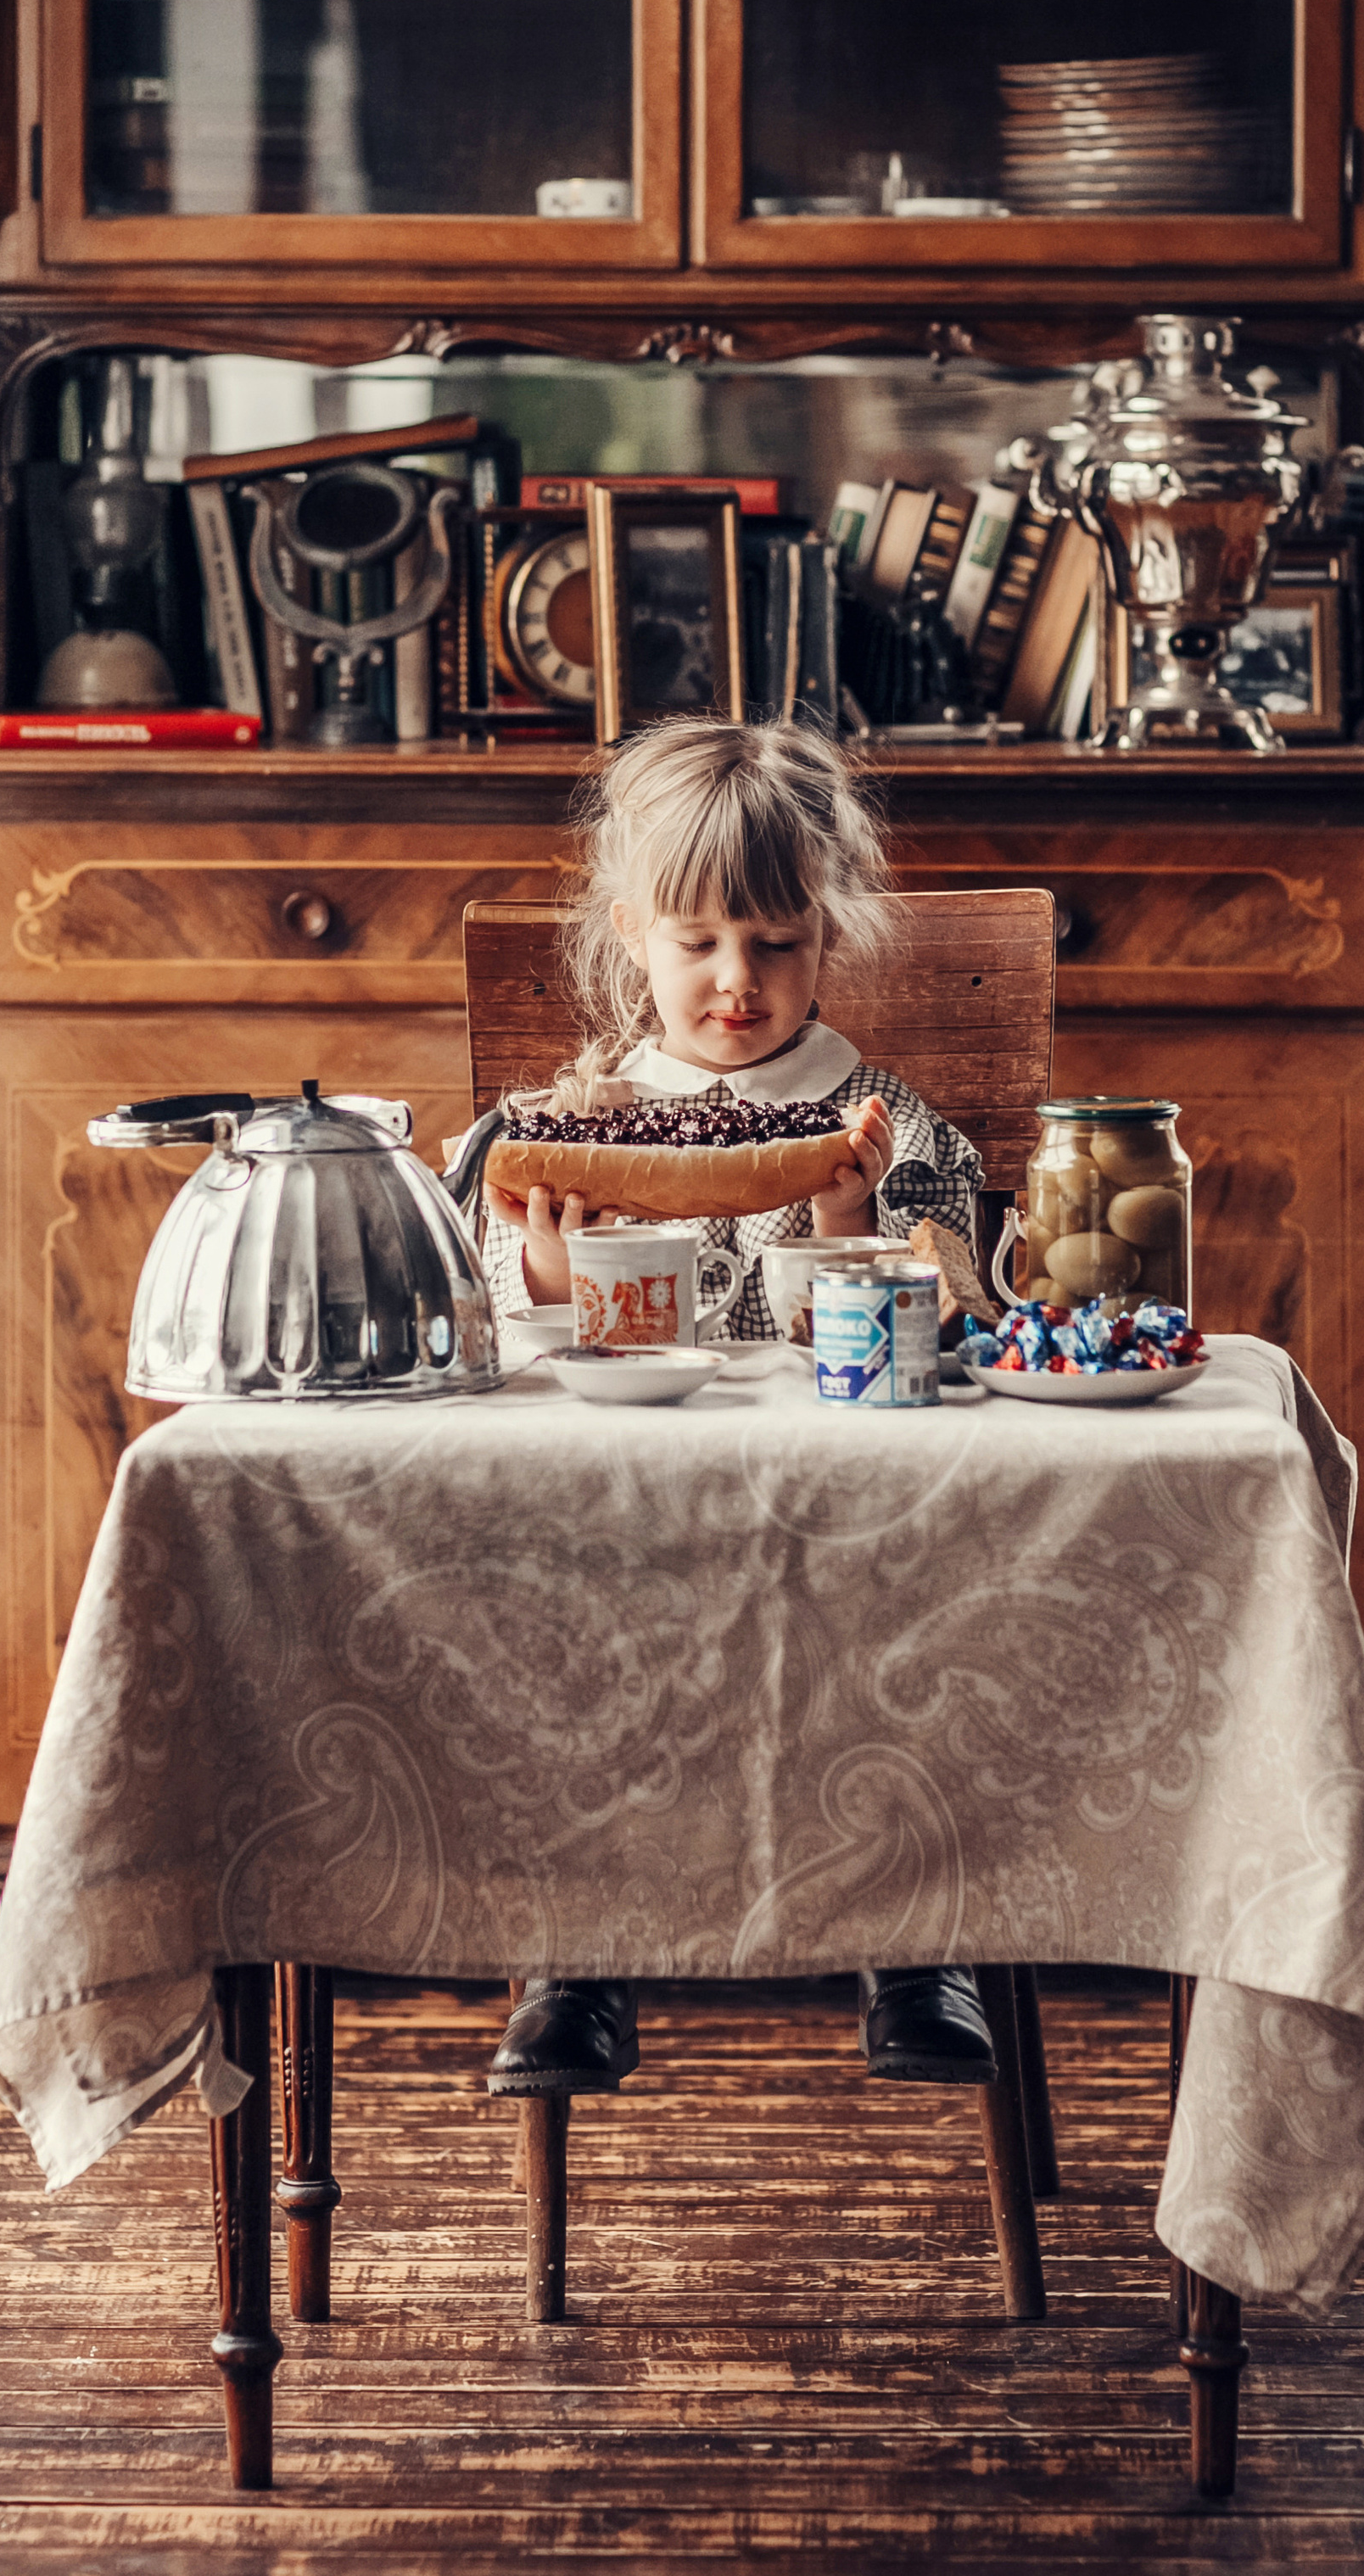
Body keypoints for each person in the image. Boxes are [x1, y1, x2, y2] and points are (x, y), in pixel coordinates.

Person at [479, 714, 1001, 2102]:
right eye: (697, 941)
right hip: (624, 1521)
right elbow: (496, 1343)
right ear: (629, 931)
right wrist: (547, 1256)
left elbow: (966, 1326)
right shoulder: (567, 1116)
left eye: (776, 943)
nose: (735, 983)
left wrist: (846, 1228)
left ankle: (918, 1936)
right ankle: (572, 1949)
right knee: (541, 1602)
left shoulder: (899, 1126)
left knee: (922, 1587)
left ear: (829, 939)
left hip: (846, 1523)